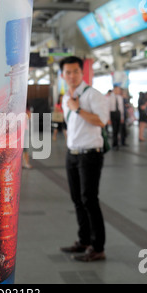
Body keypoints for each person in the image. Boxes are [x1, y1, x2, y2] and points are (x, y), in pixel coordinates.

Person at [58, 56, 109, 262]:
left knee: (90, 199)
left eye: (75, 72)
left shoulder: (93, 95)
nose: (72, 76)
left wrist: (78, 109)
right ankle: (84, 240)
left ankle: (98, 247)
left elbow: (101, 121)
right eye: (68, 72)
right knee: (77, 199)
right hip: (72, 154)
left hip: (90, 154)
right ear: (63, 75)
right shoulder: (65, 98)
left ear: (82, 73)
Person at [107, 85, 124, 149]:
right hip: (112, 114)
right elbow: (107, 108)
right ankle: (114, 143)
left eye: (119, 90)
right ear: (114, 90)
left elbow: (121, 108)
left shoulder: (120, 97)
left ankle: (118, 142)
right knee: (114, 129)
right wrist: (108, 119)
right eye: (117, 90)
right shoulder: (109, 97)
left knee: (118, 129)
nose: (118, 91)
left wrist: (122, 117)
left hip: (118, 113)